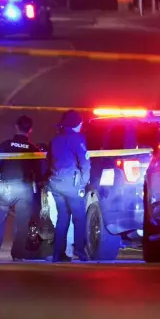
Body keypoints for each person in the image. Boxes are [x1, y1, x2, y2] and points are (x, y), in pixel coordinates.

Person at [0, 115, 45, 262]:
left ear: (16, 127)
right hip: (25, 188)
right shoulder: (33, 148)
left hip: (6, 186)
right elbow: (39, 173)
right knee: (22, 223)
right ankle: (18, 255)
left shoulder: (6, 145)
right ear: (30, 130)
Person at [48, 110, 90, 262]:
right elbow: (84, 162)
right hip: (71, 184)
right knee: (79, 217)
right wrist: (83, 182)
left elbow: (49, 160)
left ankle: (57, 254)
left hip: (55, 183)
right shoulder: (77, 139)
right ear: (76, 124)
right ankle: (79, 250)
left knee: (62, 218)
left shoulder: (55, 139)